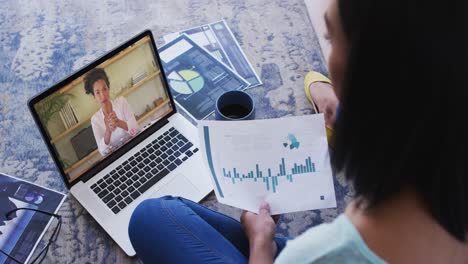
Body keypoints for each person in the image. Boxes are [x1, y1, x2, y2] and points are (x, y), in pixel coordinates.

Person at [128, 0, 468, 263]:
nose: (328, 56)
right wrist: (336, 100)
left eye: (330, 39)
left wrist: (261, 246)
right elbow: (315, 81)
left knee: (149, 217)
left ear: (369, 75)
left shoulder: (320, 252)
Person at [84, 68, 140, 156]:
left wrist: (118, 123)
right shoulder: (95, 120)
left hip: (134, 149)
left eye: (104, 89)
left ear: (108, 89)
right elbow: (103, 152)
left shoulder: (121, 102)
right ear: (94, 96)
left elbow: (136, 130)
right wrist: (108, 131)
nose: (103, 95)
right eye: (98, 92)